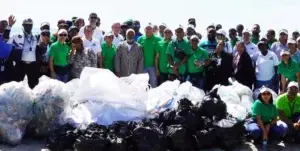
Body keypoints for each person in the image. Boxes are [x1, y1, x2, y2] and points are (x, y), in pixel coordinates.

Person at [7, 18, 48, 88]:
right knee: (17, 85)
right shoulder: (17, 35)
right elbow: (6, 39)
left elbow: (42, 52)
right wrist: (9, 26)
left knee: (33, 85)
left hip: (33, 65)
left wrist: (43, 46)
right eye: (26, 25)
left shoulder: (37, 36)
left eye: (30, 25)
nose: (28, 26)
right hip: (20, 64)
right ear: (23, 25)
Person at [137, 23, 161, 88]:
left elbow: (159, 54)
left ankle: (153, 97)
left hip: (153, 67)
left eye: (150, 29)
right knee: (143, 85)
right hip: (142, 66)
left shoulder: (158, 39)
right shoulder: (140, 39)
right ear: (144, 30)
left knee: (153, 84)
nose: (148, 30)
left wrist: (157, 68)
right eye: (146, 29)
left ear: (153, 30)